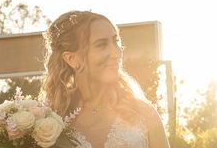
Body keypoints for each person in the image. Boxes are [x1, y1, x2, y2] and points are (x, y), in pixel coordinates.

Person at [41, 10, 169, 148]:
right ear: (72, 59)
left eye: (116, 42)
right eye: (101, 45)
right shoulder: (50, 122)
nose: (116, 53)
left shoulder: (144, 114)